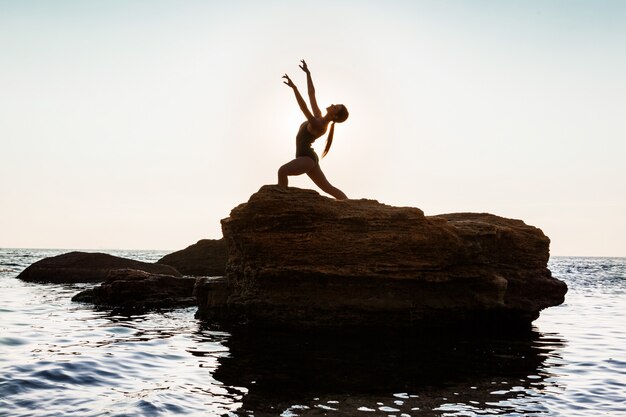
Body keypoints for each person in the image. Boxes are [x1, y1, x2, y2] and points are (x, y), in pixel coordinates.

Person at [278, 60, 349, 200]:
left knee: (282, 171)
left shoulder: (319, 124)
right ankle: (349, 204)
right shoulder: (319, 117)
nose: (333, 104)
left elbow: (304, 107)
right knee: (328, 188)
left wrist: (295, 89)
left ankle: (280, 200)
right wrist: (308, 74)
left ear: (334, 115)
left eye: (335, 107)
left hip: (307, 158)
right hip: (308, 157)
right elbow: (312, 95)